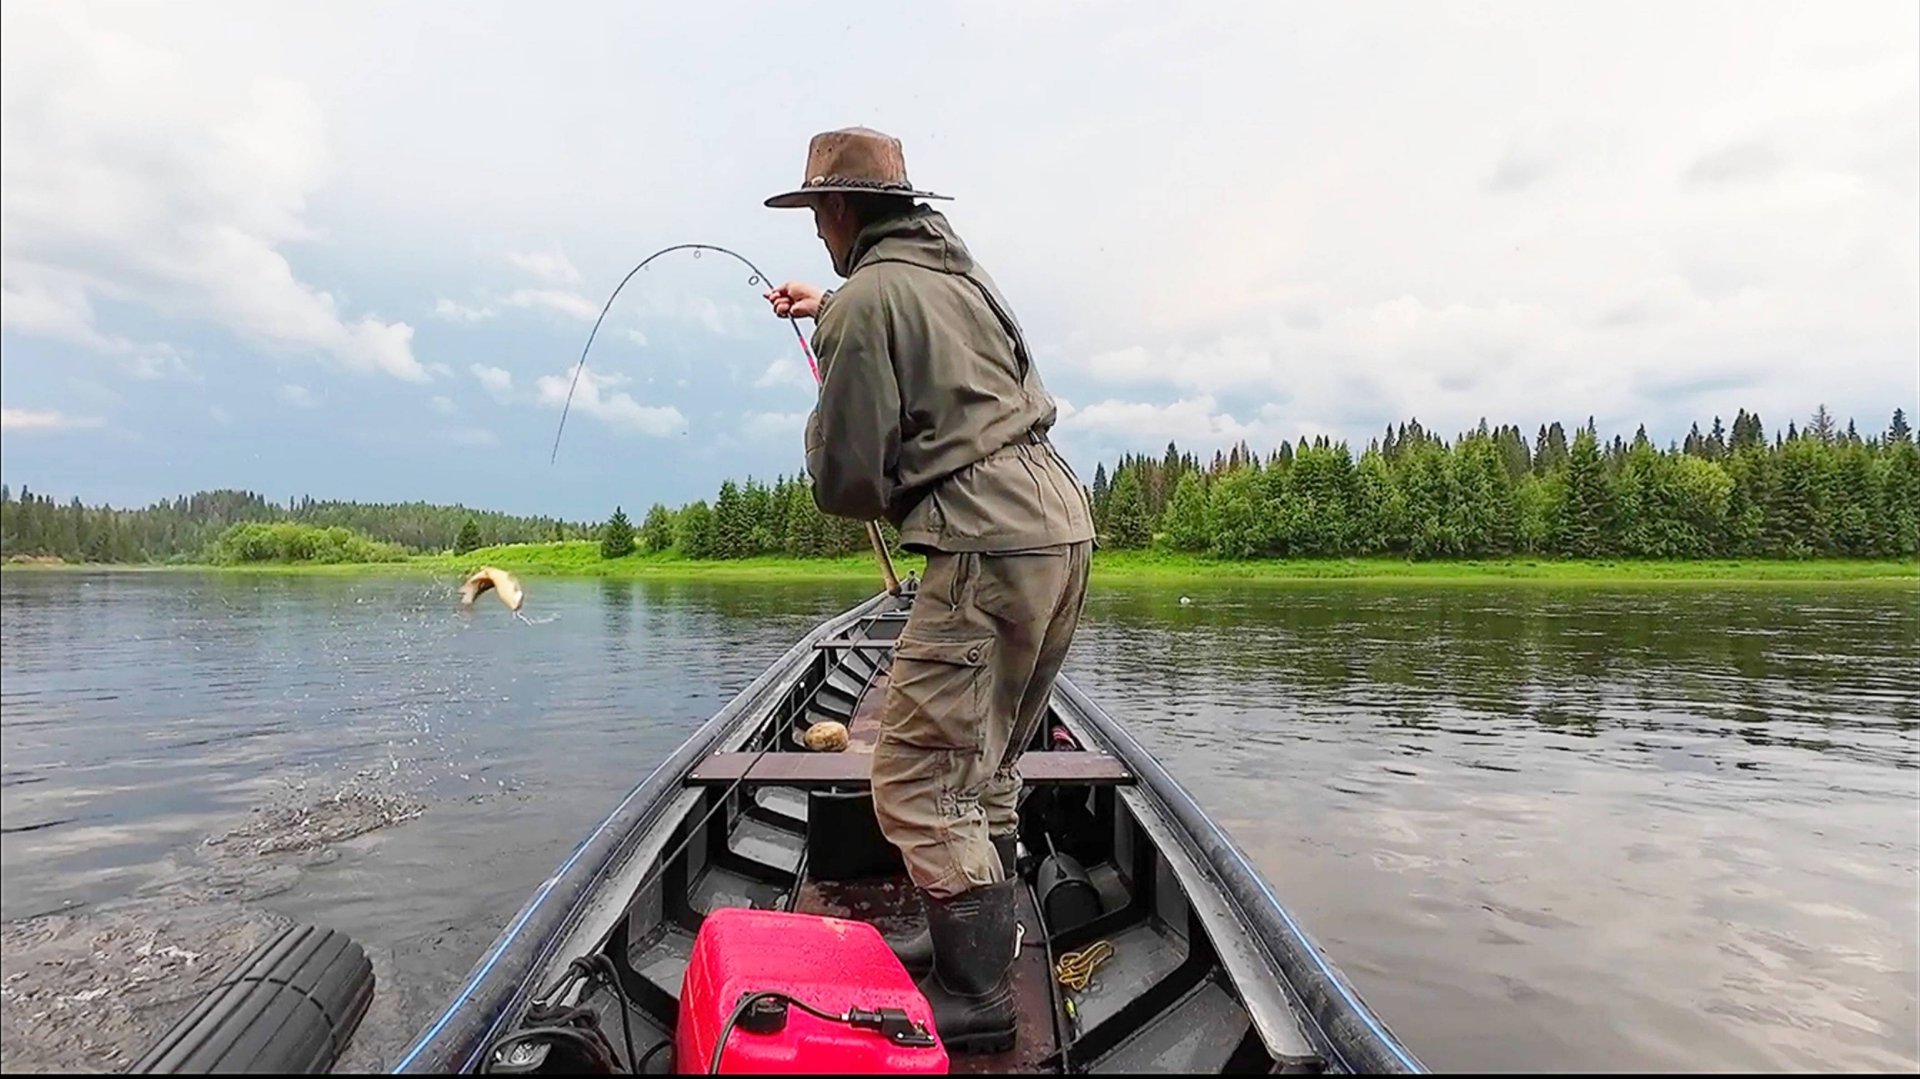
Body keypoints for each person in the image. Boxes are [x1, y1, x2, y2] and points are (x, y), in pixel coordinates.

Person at [763, 127, 1094, 1054]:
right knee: (982, 759)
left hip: (986, 539)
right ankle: (973, 945)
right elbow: (914, 331)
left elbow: (847, 483)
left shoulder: (867, 302)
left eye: (817, 213)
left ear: (836, 210)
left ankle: (976, 991)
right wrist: (833, 306)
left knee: (914, 772)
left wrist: (833, 351)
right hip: (1058, 524)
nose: (819, 231)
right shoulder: (959, 275)